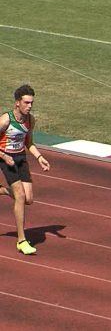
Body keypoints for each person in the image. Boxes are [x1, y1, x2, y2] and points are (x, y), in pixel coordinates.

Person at [0, 84, 50, 254]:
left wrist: (40, 157)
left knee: (28, 199)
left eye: (32, 103)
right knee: (20, 196)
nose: (29, 106)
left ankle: (4, 191)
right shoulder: (5, 120)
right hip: (5, 159)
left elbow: (29, 143)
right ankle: (21, 240)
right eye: (27, 103)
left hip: (20, 159)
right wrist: (4, 156)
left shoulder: (30, 120)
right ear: (17, 103)